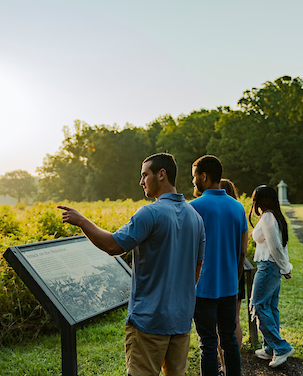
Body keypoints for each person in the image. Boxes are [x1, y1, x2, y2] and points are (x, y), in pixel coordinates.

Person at [58, 153, 206, 376]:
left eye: (145, 175)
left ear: (161, 175)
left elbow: (113, 245)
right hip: (181, 321)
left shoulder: (150, 213)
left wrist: (81, 220)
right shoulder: (195, 217)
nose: (141, 182)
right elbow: (197, 266)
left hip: (149, 322)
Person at [190, 155, 249, 376]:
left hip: (202, 288)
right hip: (229, 288)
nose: (193, 182)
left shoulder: (194, 207)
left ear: (204, 176)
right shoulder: (237, 207)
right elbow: (242, 251)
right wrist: (234, 278)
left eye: (194, 176)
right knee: (229, 339)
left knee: (207, 343)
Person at [248, 185, 294, 368]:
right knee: (270, 306)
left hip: (268, 267)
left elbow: (276, 246)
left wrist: (285, 267)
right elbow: (282, 245)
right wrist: (284, 266)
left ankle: (281, 348)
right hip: (271, 267)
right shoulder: (275, 216)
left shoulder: (268, 216)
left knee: (258, 305)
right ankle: (269, 348)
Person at [216, 179, 245, 371]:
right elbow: (242, 250)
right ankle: (234, 358)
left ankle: (223, 363)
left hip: (218, 274)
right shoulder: (237, 211)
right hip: (236, 272)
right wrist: (239, 273)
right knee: (235, 319)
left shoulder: (216, 213)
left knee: (217, 325)